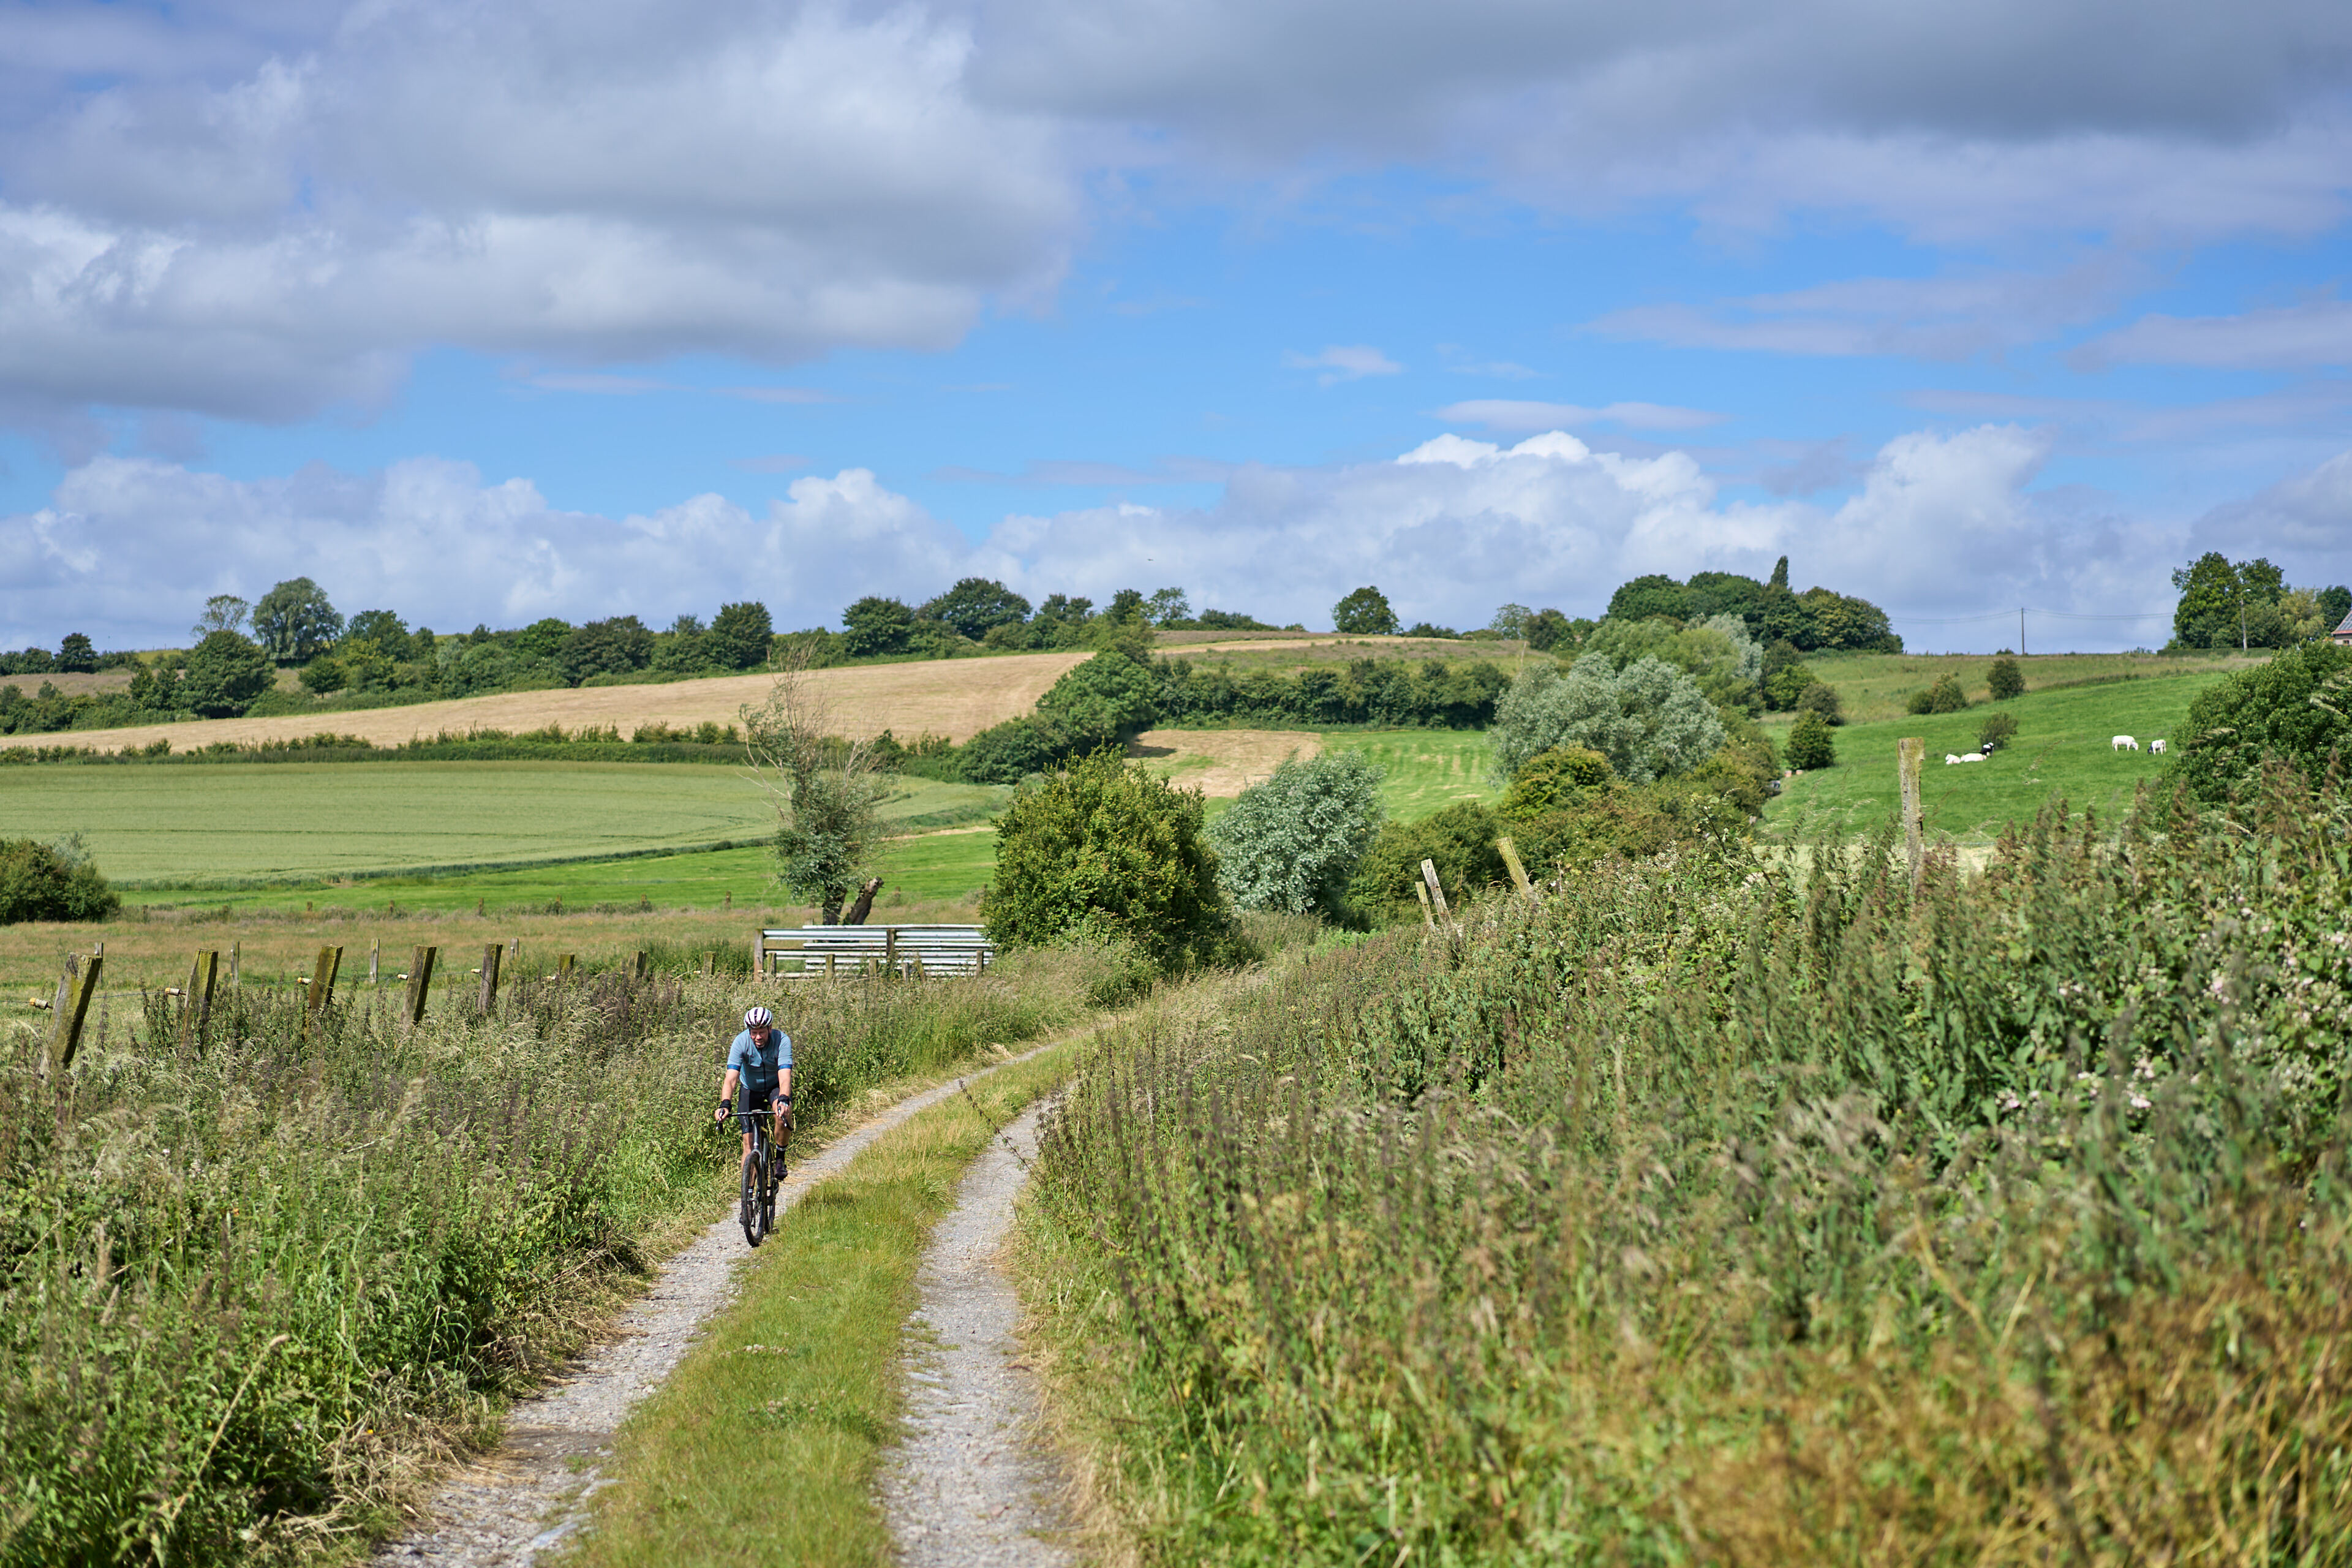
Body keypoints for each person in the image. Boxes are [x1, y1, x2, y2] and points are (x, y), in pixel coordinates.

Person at [715, 1005, 793, 1168]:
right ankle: (748, 1192)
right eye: (754, 1032)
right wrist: (725, 1104)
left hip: (774, 1088)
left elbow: (785, 1077)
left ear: (770, 1029)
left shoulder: (782, 1041)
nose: (758, 1037)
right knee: (748, 1146)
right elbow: (731, 1079)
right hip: (750, 1090)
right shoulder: (740, 1042)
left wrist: (784, 1100)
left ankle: (780, 1158)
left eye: (762, 1032)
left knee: (782, 1114)